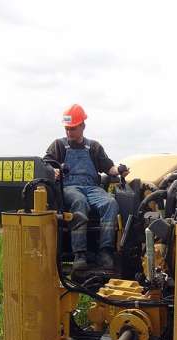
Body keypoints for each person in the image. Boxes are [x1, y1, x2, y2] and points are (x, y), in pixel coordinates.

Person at [44, 104, 129, 271]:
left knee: (110, 203)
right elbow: (45, 164)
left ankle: (105, 251)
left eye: (73, 129)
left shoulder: (94, 147)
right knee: (79, 202)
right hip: (69, 187)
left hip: (92, 188)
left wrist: (119, 170)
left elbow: (109, 168)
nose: (69, 133)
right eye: (67, 129)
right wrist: (52, 170)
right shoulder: (58, 146)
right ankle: (79, 254)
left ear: (83, 126)